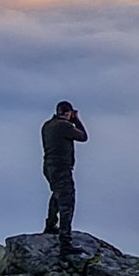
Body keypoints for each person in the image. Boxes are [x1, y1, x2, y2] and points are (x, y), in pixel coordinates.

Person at [42, 100, 88, 247]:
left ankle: (50, 225)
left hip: (49, 166)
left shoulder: (47, 125)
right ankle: (65, 241)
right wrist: (76, 120)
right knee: (67, 202)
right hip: (61, 167)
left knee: (56, 194)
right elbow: (83, 137)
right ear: (68, 113)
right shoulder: (64, 126)